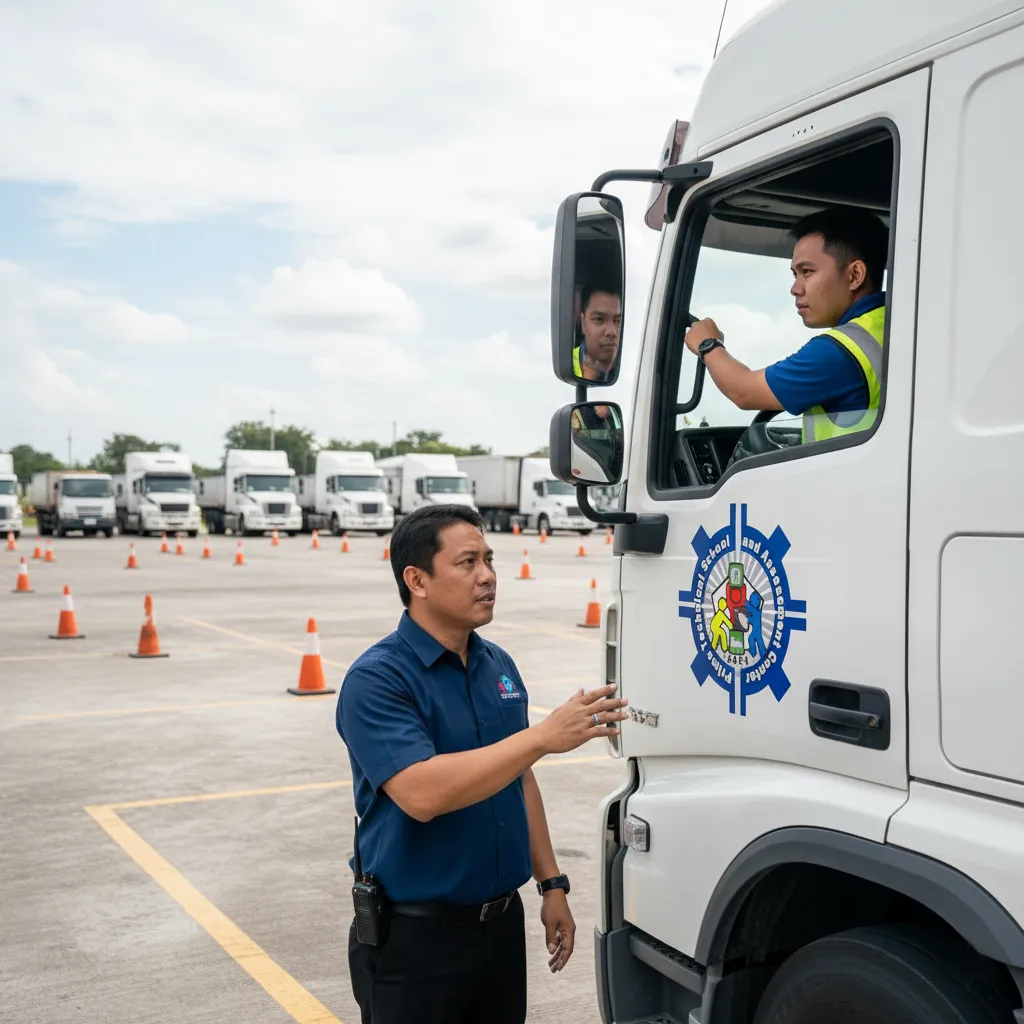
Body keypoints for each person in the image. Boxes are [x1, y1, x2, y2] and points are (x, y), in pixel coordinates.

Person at [337, 504, 629, 1024]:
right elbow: (423, 794)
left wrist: (552, 884)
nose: (489, 576)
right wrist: (541, 737)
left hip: (499, 929)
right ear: (416, 580)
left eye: (490, 560)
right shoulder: (378, 680)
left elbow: (520, 778)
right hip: (416, 939)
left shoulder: (498, 664)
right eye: (468, 562)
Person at [683, 207, 889, 444]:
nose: (795, 288)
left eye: (807, 272)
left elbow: (744, 391)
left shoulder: (840, 352)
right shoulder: (897, 325)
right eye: (795, 274)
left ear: (854, 275)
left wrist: (708, 344)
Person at [573, 282, 621, 383]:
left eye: (617, 321)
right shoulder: (569, 364)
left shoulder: (632, 366)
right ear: (583, 323)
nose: (612, 332)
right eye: (599, 319)